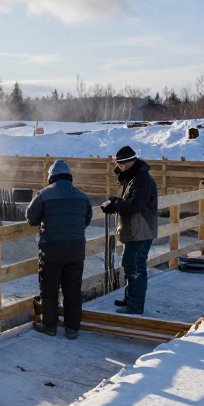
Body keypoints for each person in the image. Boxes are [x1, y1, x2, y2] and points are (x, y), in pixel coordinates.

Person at [26, 160, 93, 339]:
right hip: (76, 248)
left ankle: (49, 326)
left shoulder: (43, 195)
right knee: (73, 289)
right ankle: (72, 329)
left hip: (52, 248)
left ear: (51, 177)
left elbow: (31, 218)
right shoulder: (82, 197)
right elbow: (87, 220)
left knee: (49, 288)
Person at [101, 145, 158, 315]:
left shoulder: (142, 180)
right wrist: (116, 203)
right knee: (129, 265)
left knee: (136, 267)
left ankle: (135, 304)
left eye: (120, 164)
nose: (119, 167)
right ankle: (130, 298)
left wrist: (116, 203)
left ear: (127, 162)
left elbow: (135, 205)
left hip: (140, 231)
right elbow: (129, 201)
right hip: (135, 230)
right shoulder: (133, 178)